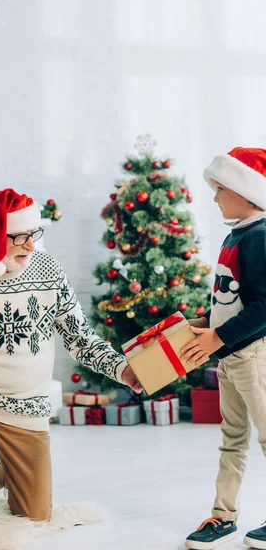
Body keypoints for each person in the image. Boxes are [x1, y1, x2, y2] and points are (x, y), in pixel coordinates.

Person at [0, 188, 142, 550]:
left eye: (32, 235)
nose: (29, 245)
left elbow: (79, 338)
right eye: (18, 237)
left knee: (35, 515)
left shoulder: (49, 269)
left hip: (25, 401)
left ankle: (5, 470)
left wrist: (122, 369)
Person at [181, 147, 266, 550]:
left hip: (253, 356)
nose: (214, 197)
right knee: (232, 437)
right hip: (231, 356)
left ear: (245, 191)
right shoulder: (237, 233)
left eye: (219, 189)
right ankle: (223, 516)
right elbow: (231, 297)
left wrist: (218, 336)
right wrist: (203, 322)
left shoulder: (261, 236)